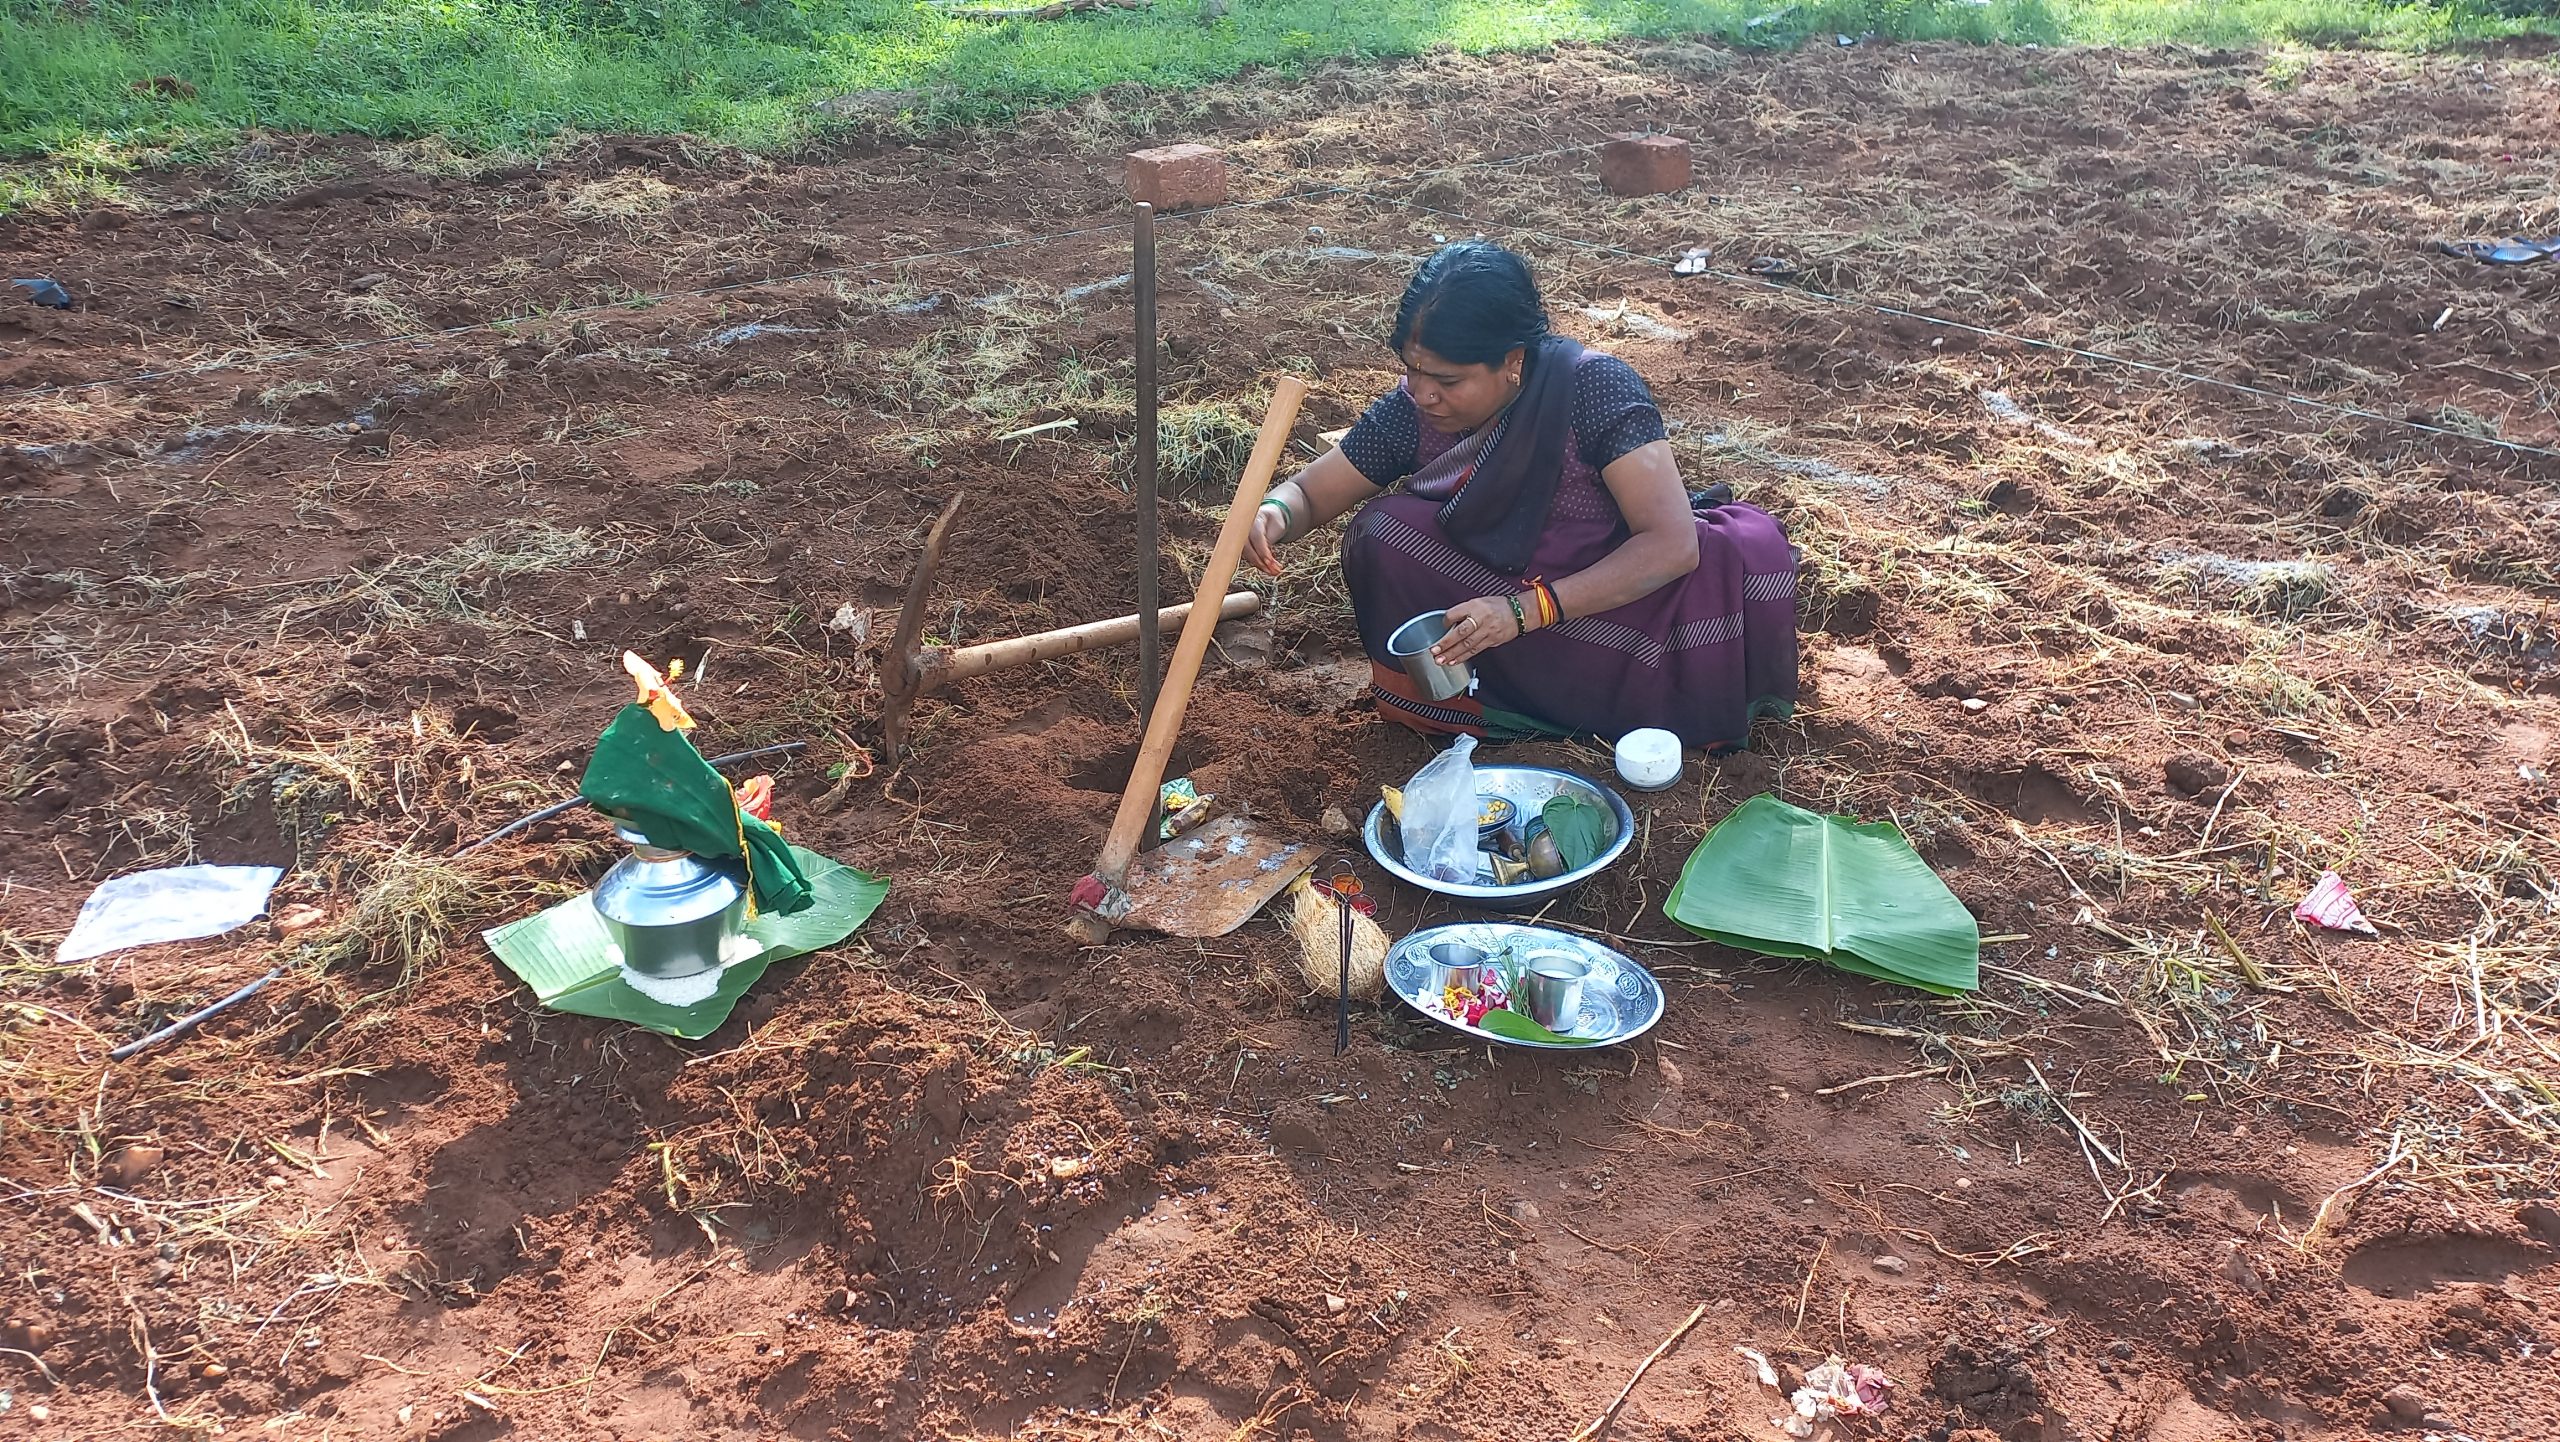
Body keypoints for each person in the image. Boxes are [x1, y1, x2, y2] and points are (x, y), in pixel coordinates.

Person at [1243, 242, 1799, 750]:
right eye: (1411, 370)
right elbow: (1311, 493)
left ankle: (1604, 706)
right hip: (1501, 582)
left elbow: (1672, 545)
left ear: (1513, 361)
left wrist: (1525, 610)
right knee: (1383, 532)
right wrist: (1273, 513)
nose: (1424, 393)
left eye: (1448, 380)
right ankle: (1476, 706)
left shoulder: (1594, 389)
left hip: (1611, 594)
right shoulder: (1414, 410)